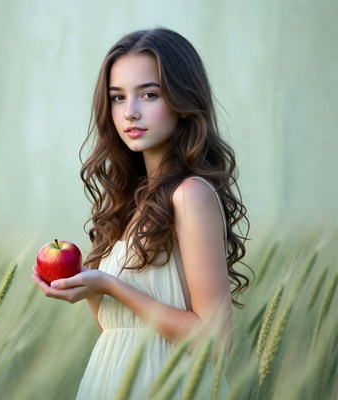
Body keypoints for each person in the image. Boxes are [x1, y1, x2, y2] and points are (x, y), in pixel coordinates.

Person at [32, 27, 251, 399]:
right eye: (117, 98)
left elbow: (216, 341)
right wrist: (86, 285)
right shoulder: (130, 204)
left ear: (183, 101)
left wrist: (109, 284)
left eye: (149, 94)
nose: (130, 112)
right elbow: (118, 332)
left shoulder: (190, 194)